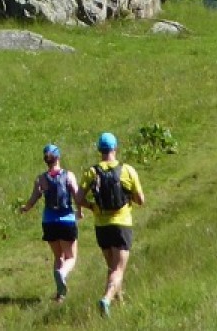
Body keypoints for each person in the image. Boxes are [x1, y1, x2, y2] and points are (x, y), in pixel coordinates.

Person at [79, 133, 145, 318]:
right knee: (119, 269)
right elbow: (141, 200)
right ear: (115, 148)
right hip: (121, 225)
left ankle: (120, 303)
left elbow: (78, 197)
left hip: (102, 226)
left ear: (99, 150)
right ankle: (107, 299)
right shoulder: (127, 170)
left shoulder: (92, 172)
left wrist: (92, 206)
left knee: (112, 268)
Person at [17, 143, 82, 301]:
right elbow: (76, 194)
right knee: (71, 257)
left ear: (45, 160)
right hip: (66, 219)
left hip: (49, 221)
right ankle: (63, 274)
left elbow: (33, 199)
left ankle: (60, 294)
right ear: (58, 157)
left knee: (57, 256)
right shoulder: (68, 175)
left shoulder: (41, 179)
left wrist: (25, 208)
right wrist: (80, 211)